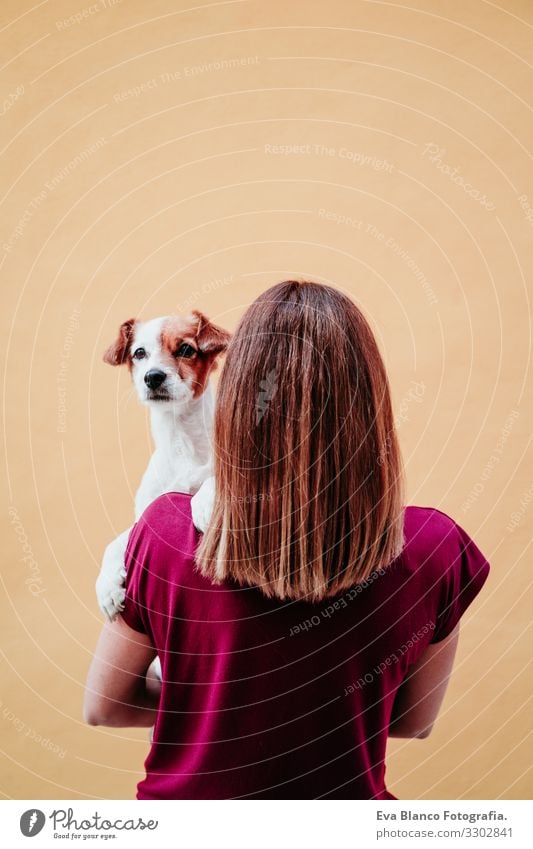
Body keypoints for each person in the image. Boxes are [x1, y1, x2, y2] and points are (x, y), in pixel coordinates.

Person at [84, 280, 490, 799]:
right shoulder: (435, 546)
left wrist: (214, 707)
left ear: (235, 387)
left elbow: (105, 706)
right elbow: (413, 721)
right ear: (370, 399)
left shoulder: (163, 534)